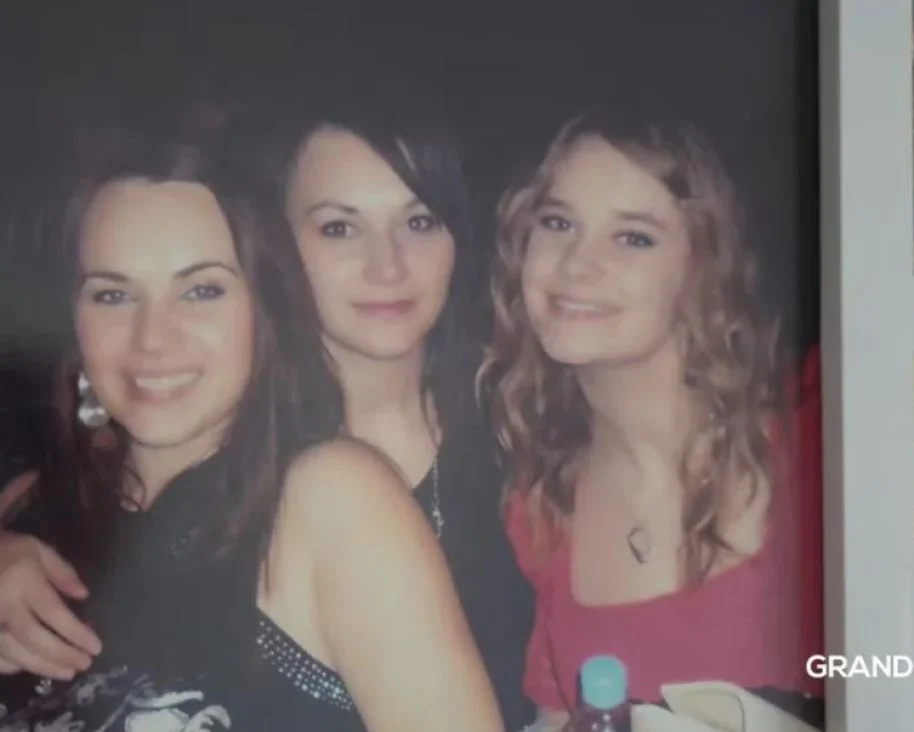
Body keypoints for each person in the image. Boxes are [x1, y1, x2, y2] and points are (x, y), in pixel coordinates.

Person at [0, 85, 535, 730]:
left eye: (202, 290)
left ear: (265, 307)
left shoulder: (334, 494)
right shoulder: (33, 507)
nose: (152, 339)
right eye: (113, 295)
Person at [479, 107, 824, 730]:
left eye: (633, 237)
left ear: (702, 269)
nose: (576, 264)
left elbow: (894, 669)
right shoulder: (541, 509)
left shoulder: (821, 434)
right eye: (557, 222)